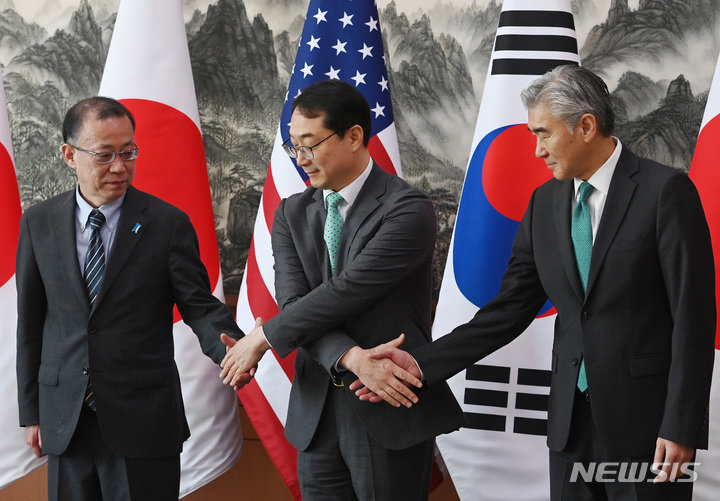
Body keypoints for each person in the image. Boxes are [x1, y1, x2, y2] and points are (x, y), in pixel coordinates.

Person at [357, 65, 716, 501]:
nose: (537, 150)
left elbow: (694, 319)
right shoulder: (544, 202)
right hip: (569, 426)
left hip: (648, 428)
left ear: (586, 126)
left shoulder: (666, 192)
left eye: (544, 134)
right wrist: (422, 363)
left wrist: (680, 426)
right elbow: (509, 309)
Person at [219, 79, 465, 500]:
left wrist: (263, 336)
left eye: (310, 145)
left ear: (353, 137)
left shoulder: (408, 208)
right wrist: (349, 358)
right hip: (315, 412)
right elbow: (294, 304)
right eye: (293, 146)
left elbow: (348, 291)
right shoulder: (292, 212)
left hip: (386, 406)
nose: (301, 159)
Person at [15, 97, 247, 501]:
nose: (120, 167)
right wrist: (32, 411)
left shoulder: (167, 223)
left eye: (128, 152)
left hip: (143, 419)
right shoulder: (39, 223)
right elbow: (31, 325)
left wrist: (232, 348)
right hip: (66, 418)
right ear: (69, 155)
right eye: (105, 155)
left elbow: (200, 306)